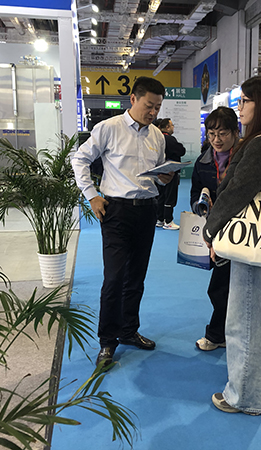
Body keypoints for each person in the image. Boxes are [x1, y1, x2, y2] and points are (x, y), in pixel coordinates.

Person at [202, 76, 261, 415]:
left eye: (244, 101)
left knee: (244, 319)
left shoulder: (260, 143)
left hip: (251, 241)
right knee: (260, 312)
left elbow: (238, 191)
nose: (239, 108)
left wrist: (211, 228)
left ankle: (245, 397)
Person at [71, 77, 174, 368]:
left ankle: (129, 330)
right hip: (116, 211)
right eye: (148, 105)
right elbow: (79, 160)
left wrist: (164, 177)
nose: (153, 112)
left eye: (157, 107)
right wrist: (92, 195)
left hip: (147, 211)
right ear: (133, 99)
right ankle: (107, 340)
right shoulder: (109, 128)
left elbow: (157, 174)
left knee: (136, 277)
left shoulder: (157, 136)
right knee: (114, 278)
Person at [190, 106, 240, 351]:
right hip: (215, 230)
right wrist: (201, 205)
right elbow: (194, 195)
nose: (216, 140)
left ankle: (217, 334)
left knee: (222, 287)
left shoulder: (245, 158)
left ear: (235, 132)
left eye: (222, 134)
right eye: (211, 134)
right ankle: (225, 333)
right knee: (223, 285)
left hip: (241, 229)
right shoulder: (203, 162)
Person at [156, 118, 185, 230]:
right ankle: (168, 221)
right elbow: (181, 150)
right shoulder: (169, 139)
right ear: (167, 127)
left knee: (161, 196)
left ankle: (160, 219)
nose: (173, 127)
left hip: (159, 172)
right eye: (172, 125)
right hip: (171, 172)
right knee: (170, 197)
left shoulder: (157, 138)